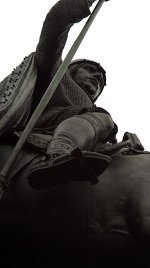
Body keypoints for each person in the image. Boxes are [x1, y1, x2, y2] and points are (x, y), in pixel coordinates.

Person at [1, 0, 117, 189]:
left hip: (84, 128)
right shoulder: (57, 75)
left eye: (101, 82)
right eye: (90, 70)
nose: (97, 79)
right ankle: (58, 153)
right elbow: (56, 22)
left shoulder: (89, 110)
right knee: (103, 117)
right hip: (42, 125)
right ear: (70, 70)